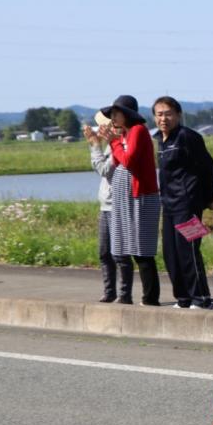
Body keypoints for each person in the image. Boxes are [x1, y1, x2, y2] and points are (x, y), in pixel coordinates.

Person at [153, 96, 213, 309]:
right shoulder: (161, 140)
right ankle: (183, 298)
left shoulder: (187, 137)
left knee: (188, 251)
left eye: (168, 113)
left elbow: (209, 167)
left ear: (178, 115)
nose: (164, 118)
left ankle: (201, 299)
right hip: (169, 205)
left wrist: (208, 197)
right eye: (159, 114)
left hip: (188, 204)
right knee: (171, 254)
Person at [100, 95, 161, 306]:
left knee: (142, 249)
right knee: (130, 247)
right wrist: (114, 141)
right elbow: (118, 161)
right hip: (127, 198)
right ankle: (143, 296)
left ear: (126, 114)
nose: (112, 118)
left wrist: (113, 141)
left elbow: (128, 160)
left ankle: (150, 298)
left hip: (140, 196)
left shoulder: (138, 131)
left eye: (115, 114)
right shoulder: (125, 134)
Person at [83, 112, 117, 303]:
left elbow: (104, 170)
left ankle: (123, 293)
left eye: (103, 126)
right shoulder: (111, 146)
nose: (100, 129)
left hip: (115, 205)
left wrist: (95, 145)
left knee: (119, 254)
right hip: (105, 205)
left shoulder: (119, 146)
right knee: (104, 252)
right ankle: (109, 291)